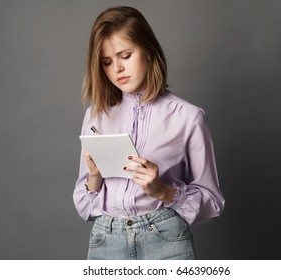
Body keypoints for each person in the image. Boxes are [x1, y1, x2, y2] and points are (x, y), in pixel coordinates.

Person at [73, 6, 225, 260]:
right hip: (106, 241)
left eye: (126, 55)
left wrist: (162, 191)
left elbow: (213, 202)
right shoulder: (95, 116)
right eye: (107, 62)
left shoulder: (188, 117)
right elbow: (84, 204)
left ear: (149, 51)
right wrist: (94, 176)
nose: (117, 69)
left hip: (165, 240)